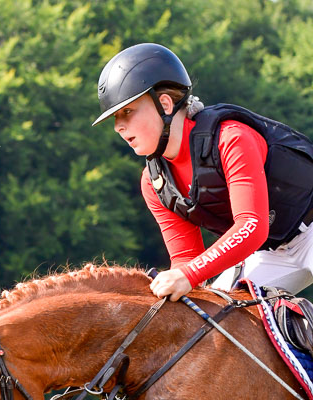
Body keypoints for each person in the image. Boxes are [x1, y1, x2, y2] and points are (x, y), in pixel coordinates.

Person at [93, 43, 313, 302]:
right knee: (213, 323)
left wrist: (187, 274)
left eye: (127, 112)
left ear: (164, 104)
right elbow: (187, 258)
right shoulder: (154, 183)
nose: (118, 127)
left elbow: (252, 225)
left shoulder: (231, 138)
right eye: (115, 119)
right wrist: (175, 282)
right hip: (268, 253)